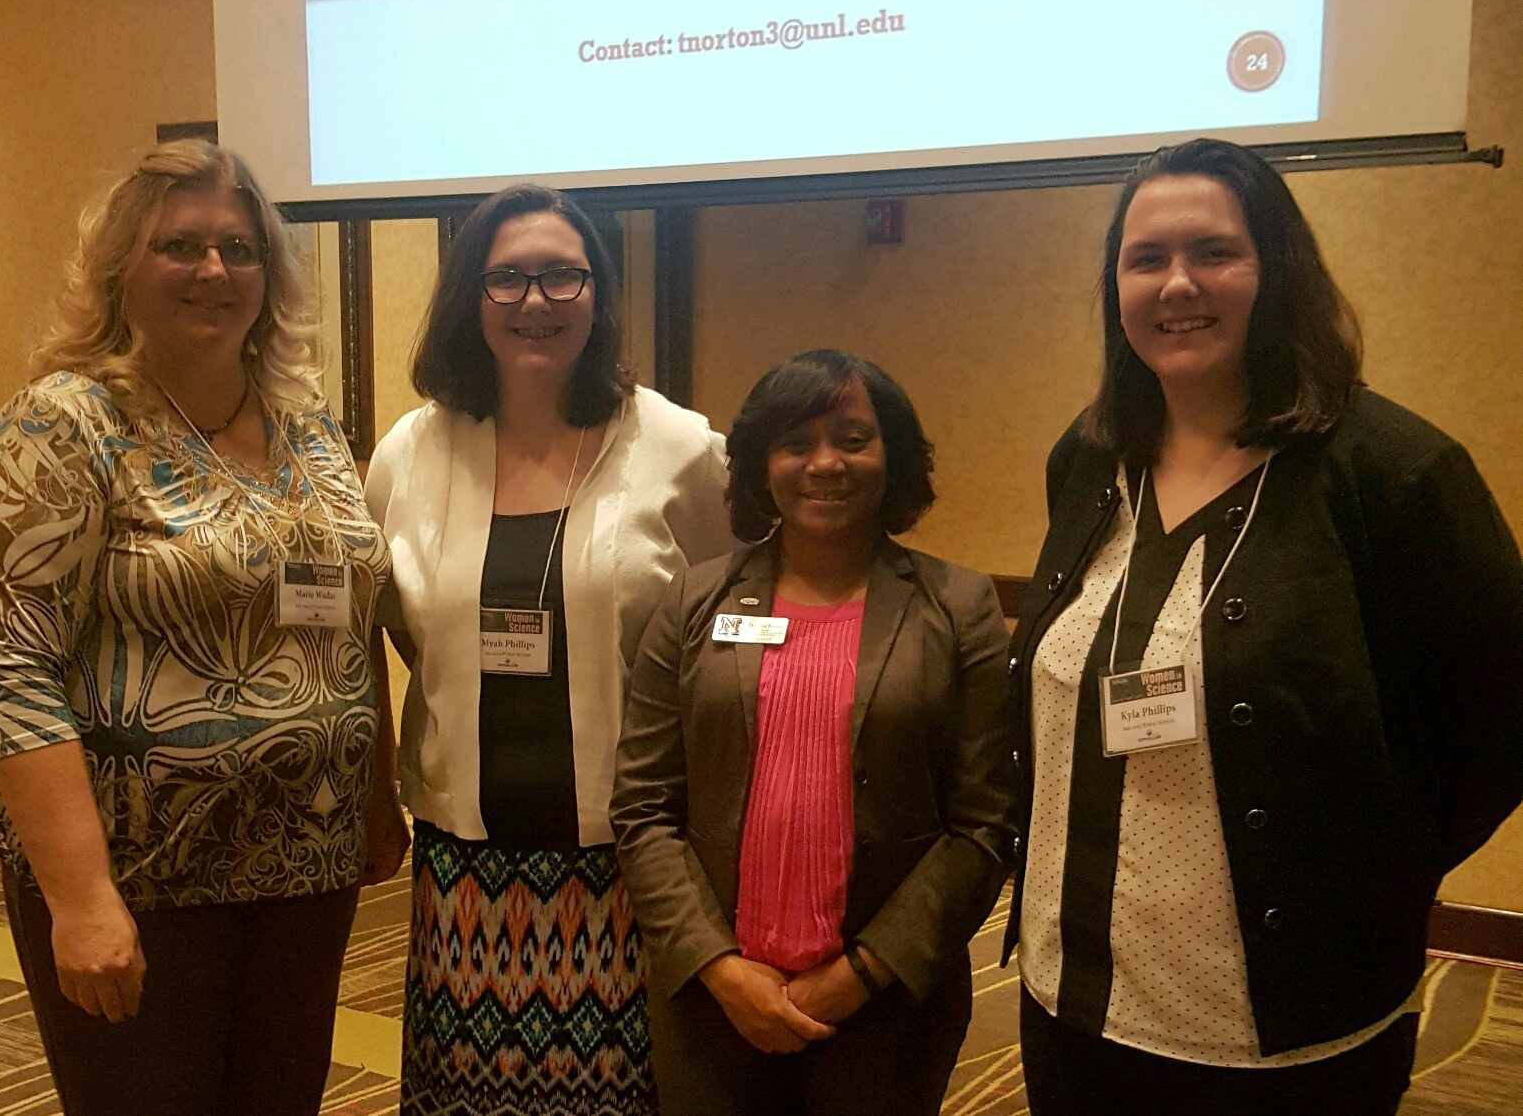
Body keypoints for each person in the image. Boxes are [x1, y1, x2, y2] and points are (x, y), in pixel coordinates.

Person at [1002, 138, 1523, 1114]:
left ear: (1274, 268)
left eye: (1213, 251)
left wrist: (1367, 872)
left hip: (1277, 1027)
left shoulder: (1393, 475)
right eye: (1145, 257)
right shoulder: (1084, 461)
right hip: (1067, 991)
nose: (1177, 282)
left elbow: (1497, 727)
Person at [0, 140, 406, 1116]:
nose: (214, 269)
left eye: (238, 247)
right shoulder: (65, 422)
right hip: (140, 876)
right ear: (120, 268)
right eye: (180, 245)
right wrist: (81, 898)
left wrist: (377, 793)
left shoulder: (309, 427)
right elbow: (12, 663)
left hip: (307, 864)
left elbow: (349, 622)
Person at [364, 183, 731, 1116]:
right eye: (508, 279)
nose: (536, 301)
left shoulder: (680, 448)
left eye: (564, 277)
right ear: (470, 299)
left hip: (626, 863)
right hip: (463, 868)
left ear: (600, 293)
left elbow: (732, 627)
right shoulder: (411, 452)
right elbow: (394, 622)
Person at [613, 349, 1013, 1116]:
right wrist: (720, 969)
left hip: (886, 1003)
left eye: (854, 438)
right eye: (797, 442)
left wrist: (857, 975)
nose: (826, 462)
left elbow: (984, 826)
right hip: (712, 998)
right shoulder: (695, 601)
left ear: (891, 456)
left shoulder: (957, 608)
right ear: (763, 464)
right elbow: (642, 807)